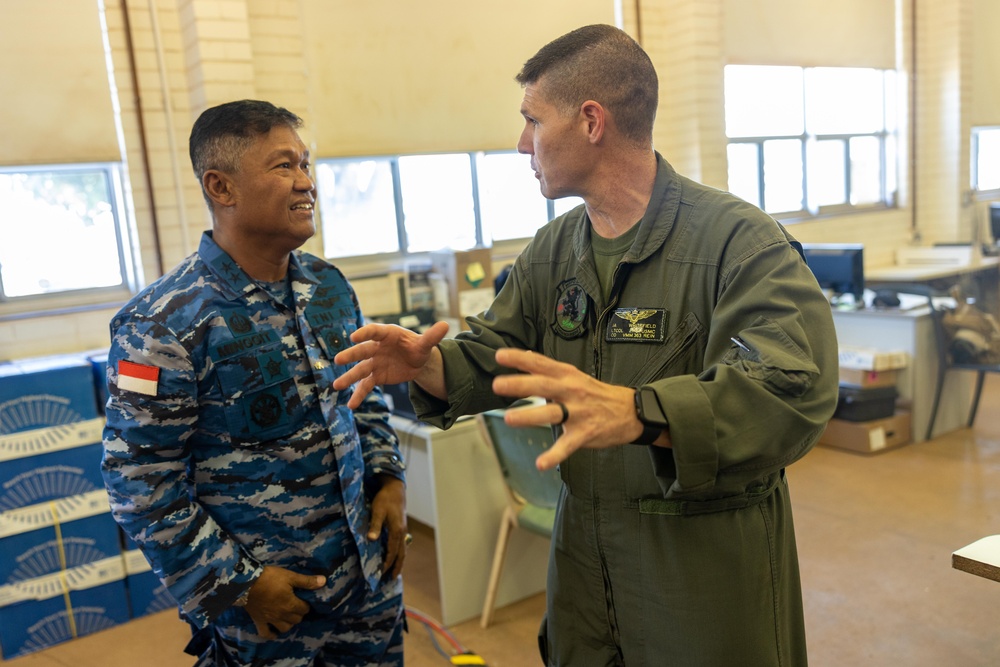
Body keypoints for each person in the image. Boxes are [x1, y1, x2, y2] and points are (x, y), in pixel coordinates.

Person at [333, 24, 839, 666]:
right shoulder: (554, 249)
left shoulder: (737, 242)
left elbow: (791, 389)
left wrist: (639, 413)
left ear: (591, 122)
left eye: (532, 121)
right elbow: (496, 355)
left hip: (700, 565)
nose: (522, 144)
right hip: (583, 560)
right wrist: (428, 363)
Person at [101, 100, 408, 667]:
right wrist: (236, 584)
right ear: (221, 186)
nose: (306, 182)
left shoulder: (329, 286)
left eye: (307, 164)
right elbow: (140, 483)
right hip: (267, 609)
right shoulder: (164, 323)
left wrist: (389, 477)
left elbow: (363, 397)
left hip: (366, 584)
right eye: (284, 166)